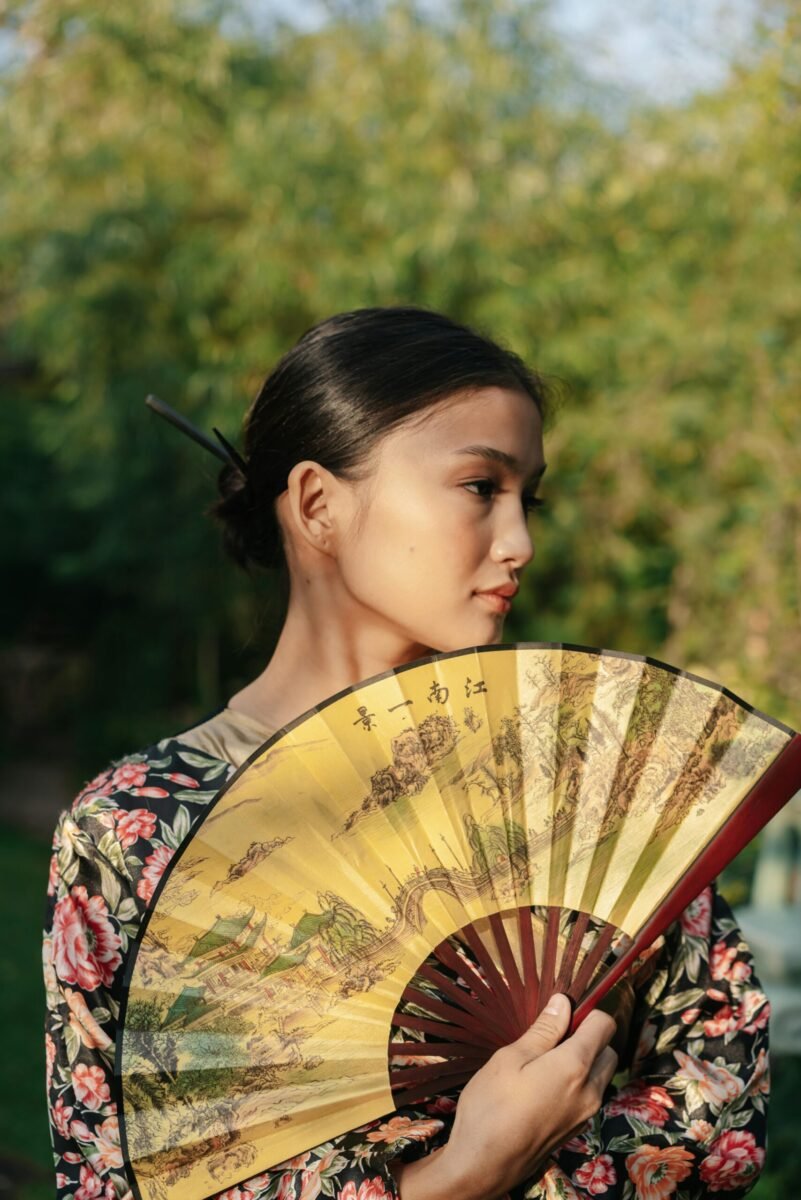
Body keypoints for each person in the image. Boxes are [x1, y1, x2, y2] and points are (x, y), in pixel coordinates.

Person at [43, 307, 770, 1200]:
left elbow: (722, 1105)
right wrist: (468, 1170)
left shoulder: (578, 783)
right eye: (479, 487)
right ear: (318, 504)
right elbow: (113, 1183)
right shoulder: (137, 828)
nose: (520, 543)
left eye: (527, 497)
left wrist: (539, 1139)